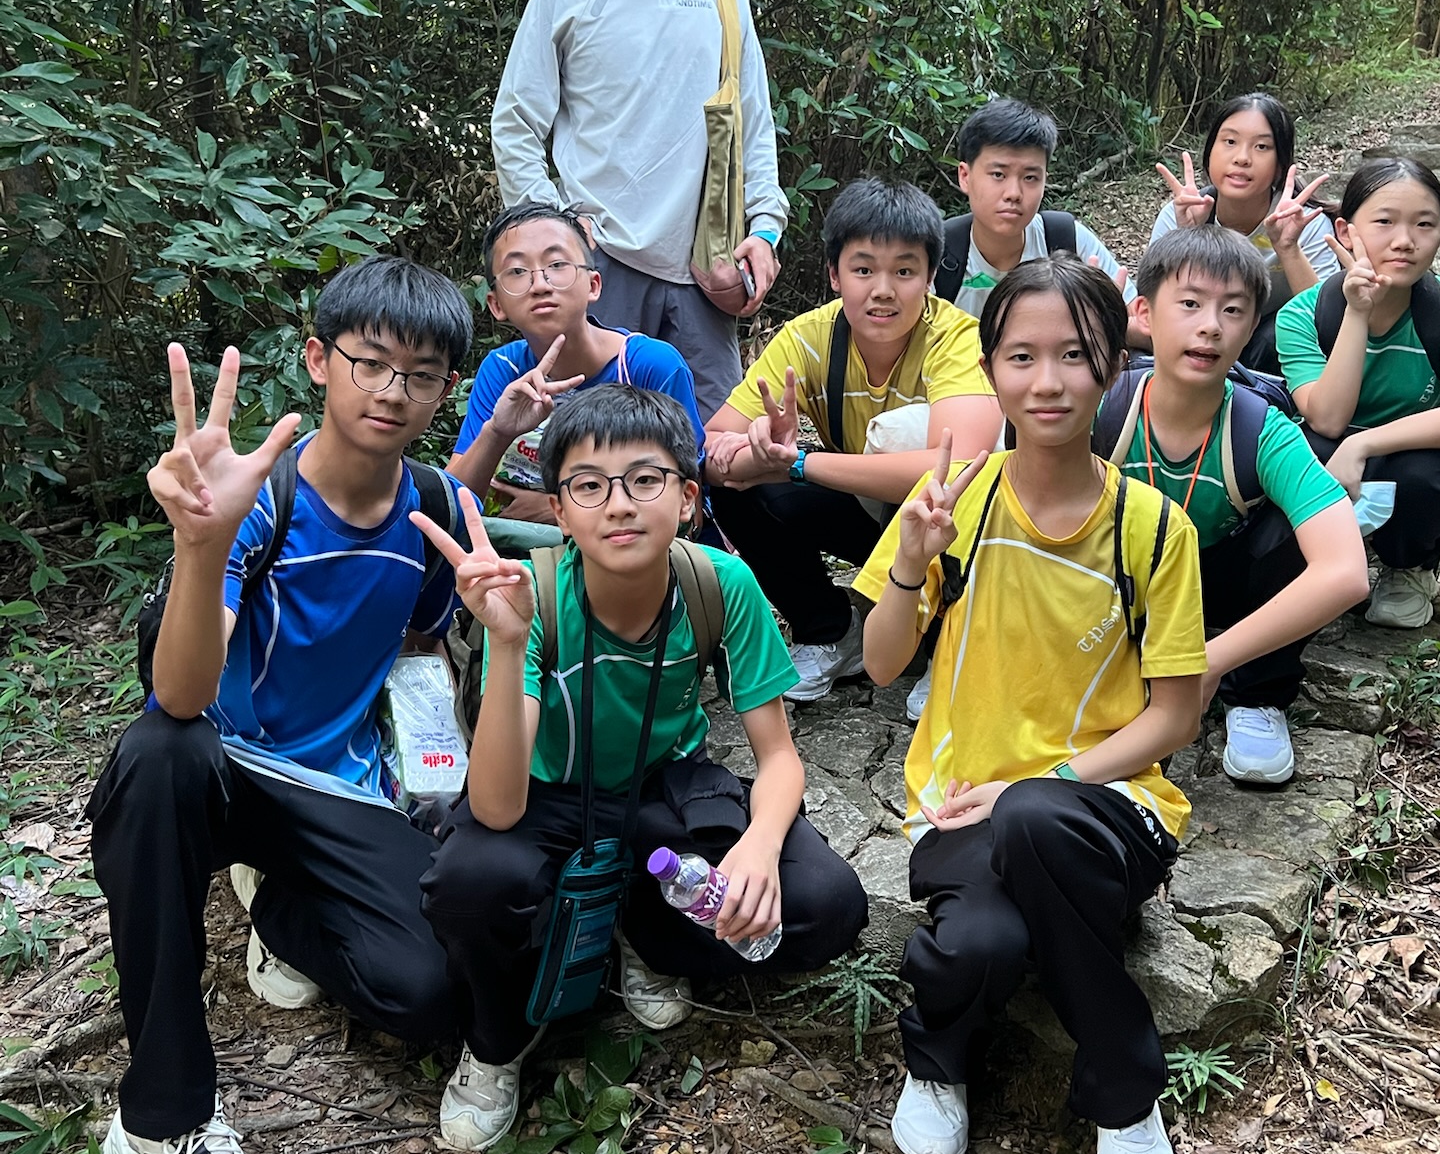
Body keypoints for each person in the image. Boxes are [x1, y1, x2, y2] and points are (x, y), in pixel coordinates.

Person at [89, 258, 478, 1154]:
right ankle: (162, 1122)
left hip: (338, 786)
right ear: (318, 359)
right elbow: (180, 696)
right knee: (159, 749)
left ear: (446, 388)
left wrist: (438, 783)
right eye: (369, 362)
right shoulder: (260, 496)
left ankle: (278, 908)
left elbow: (420, 647)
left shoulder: (432, 508)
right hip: (223, 768)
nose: (391, 390)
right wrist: (203, 545)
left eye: (420, 374)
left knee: (427, 992)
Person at [418, 385, 868, 1152]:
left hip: (663, 790)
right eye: (589, 486)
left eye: (645, 480)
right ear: (559, 512)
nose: (620, 504)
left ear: (688, 499)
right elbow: (495, 807)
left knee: (826, 903)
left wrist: (759, 847)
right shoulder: (532, 596)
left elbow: (779, 758)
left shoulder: (719, 584)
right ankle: (497, 1039)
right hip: (546, 792)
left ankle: (644, 934)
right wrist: (506, 644)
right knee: (470, 883)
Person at [856, 258, 1207, 1154]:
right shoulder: (954, 506)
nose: (1047, 380)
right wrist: (910, 564)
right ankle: (937, 1063)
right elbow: (882, 664)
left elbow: (1173, 718)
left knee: (1037, 817)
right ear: (990, 369)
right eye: (1021, 356)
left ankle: (1125, 1096)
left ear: (1113, 366)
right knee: (982, 939)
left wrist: (1043, 781)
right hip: (960, 802)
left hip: (1107, 808)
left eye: (1074, 354)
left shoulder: (1153, 529)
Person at [489, 0, 787, 418]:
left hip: (703, 273)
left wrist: (764, 230)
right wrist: (559, 229)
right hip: (599, 266)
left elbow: (754, 128)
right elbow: (516, 123)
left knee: (712, 447)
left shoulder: (724, 0)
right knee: (591, 441)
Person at [705, 178, 1000, 702]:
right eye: (863, 270)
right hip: (873, 513)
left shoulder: (957, 338)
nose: (882, 290)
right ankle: (832, 630)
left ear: (930, 277)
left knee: (935, 462)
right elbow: (710, 449)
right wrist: (757, 453)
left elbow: (959, 468)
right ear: (835, 275)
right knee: (737, 488)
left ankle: (955, 642)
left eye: (904, 271)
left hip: (960, 526)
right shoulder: (808, 338)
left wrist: (799, 464)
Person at [1107, 225, 1367, 785]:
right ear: (1144, 314)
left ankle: (1255, 694)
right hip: (1122, 589)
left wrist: (1212, 660)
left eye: (1232, 310)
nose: (1210, 325)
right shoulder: (1104, 410)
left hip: (1223, 594)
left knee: (1289, 531)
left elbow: (1346, 572)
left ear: (1251, 329)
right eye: (1190, 304)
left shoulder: (1260, 429)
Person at [1276, 155, 1440, 630]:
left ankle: (1408, 567)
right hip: (1335, 446)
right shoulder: (1301, 315)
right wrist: (1357, 312)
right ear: (1345, 231)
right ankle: (1321, 560)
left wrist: (1364, 444)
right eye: (1385, 222)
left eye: (1424, 224)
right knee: (1296, 455)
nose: (1404, 240)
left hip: (1418, 458)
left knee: (1422, 472)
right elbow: (1327, 419)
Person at [447, 202, 705, 526]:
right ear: (496, 304)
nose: (540, 285)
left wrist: (559, 510)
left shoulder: (648, 366)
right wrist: (498, 432)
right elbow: (451, 505)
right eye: (517, 271)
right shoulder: (503, 369)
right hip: (510, 549)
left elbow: (689, 508)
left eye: (557, 264)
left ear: (593, 285)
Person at [1128, 94, 1333, 371]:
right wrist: (1190, 237)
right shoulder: (1181, 215)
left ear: (1280, 165)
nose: (1242, 158)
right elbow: (1152, 312)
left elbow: (1328, 322)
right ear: (1210, 152)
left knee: (1274, 335)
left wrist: (1288, 248)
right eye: (1230, 142)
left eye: (1261, 147)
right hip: (1201, 336)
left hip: (1274, 351)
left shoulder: (1303, 223)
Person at [933, 96, 1123, 316]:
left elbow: (1139, 320)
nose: (1014, 193)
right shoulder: (934, 255)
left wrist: (1108, 320)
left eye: (1030, 177)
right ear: (965, 176)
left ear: (1044, 181)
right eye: (998, 174)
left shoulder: (1067, 239)